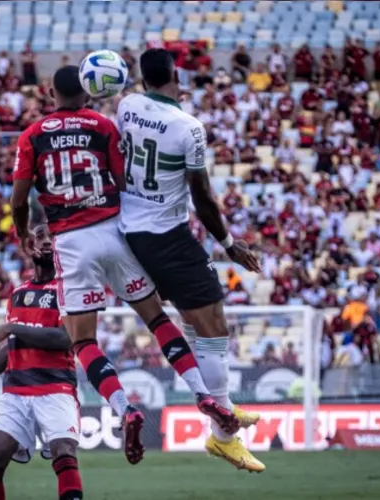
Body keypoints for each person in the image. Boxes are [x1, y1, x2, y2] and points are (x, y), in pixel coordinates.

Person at [10, 66, 238, 465]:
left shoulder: (32, 135)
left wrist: (23, 233)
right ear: (87, 93)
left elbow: (18, 198)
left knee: (82, 341)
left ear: (49, 93)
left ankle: (124, 410)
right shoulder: (103, 125)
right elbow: (122, 178)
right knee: (156, 319)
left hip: (70, 242)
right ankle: (204, 395)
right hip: (115, 232)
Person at [115, 48, 264, 472]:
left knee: (192, 321)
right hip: (166, 235)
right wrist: (229, 242)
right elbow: (201, 195)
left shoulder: (126, 106)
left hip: (130, 229)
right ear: (175, 74)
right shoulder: (188, 127)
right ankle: (224, 436)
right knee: (214, 324)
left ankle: (225, 405)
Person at [0, 222, 83, 500]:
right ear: (28, 246)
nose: (46, 242)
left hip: (56, 388)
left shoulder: (69, 288)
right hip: (15, 392)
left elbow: (65, 339)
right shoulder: (18, 294)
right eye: (40, 237)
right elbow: (9, 350)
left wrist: (13, 329)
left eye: (52, 237)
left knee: (64, 452)